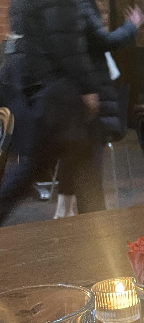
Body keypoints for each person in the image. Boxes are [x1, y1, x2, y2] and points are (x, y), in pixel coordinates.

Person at [0, 0, 100, 226]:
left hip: (32, 82)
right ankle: (94, 231)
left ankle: (90, 229)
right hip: (54, 88)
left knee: (47, 162)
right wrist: (87, 87)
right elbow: (67, 41)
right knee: (49, 164)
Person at [53, 0, 144, 218]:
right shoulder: (80, 3)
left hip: (74, 87)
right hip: (87, 88)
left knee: (75, 153)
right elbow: (100, 41)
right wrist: (131, 26)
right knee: (88, 161)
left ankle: (66, 211)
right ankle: (91, 222)